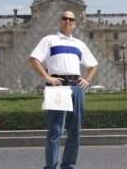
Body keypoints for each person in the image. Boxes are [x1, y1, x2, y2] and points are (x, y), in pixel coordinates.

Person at [29, 10, 99, 169]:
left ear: (75, 23)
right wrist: (47, 78)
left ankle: (68, 165)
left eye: (71, 19)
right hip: (57, 87)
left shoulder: (79, 44)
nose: (68, 21)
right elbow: (34, 59)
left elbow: (93, 64)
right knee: (55, 132)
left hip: (76, 87)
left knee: (75, 132)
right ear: (60, 21)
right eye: (64, 18)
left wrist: (87, 79)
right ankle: (51, 166)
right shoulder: (49, 40)